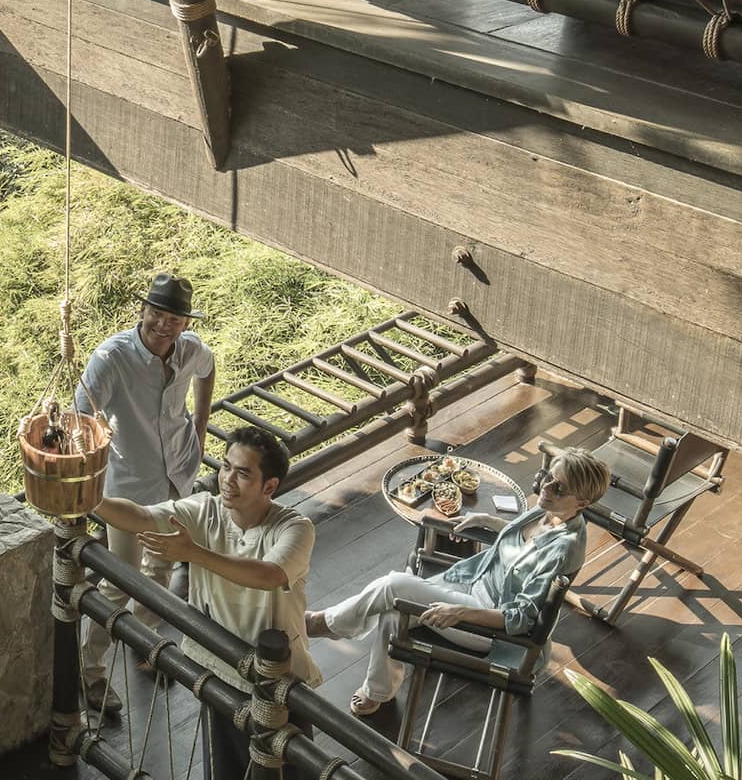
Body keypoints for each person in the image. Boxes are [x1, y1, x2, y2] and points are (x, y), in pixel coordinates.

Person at [306, 446, 610, 717]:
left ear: (581, 503)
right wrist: (488, 522)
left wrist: (462, 613)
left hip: (488, 625)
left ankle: (327, 624)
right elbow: (525, 543)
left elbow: (522, 619)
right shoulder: (549, 511)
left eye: (559, 487)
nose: (546, 486)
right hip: (468, 584)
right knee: (394, 610)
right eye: (547, 476)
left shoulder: (564, 548)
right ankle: (377, 692)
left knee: (394, 585)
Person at [94, 426, 318, 780]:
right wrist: (89, 498)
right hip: (218, 664)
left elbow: (268, 574)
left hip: (277, 679)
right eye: (226, 466)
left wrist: (193, 553)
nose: (228, 479)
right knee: (226, 769)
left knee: (290, 768)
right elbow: (139, 516)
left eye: (243, 473)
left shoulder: (295, 528)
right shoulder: (205, 510)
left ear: (270, 486)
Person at [74, 272, 216, 715]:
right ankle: (89, 672)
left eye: (174, 317)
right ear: (142, 311)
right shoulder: (112, 358)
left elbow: (208, 371)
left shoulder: (191, 348)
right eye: (157, 312)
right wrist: (88, 478)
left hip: (178, 475)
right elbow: (81, 416)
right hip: (129, 488)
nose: (164, 324)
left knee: (161, 569)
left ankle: (145, 647)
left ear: (184, 322)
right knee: (119, 581)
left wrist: (201, 425)